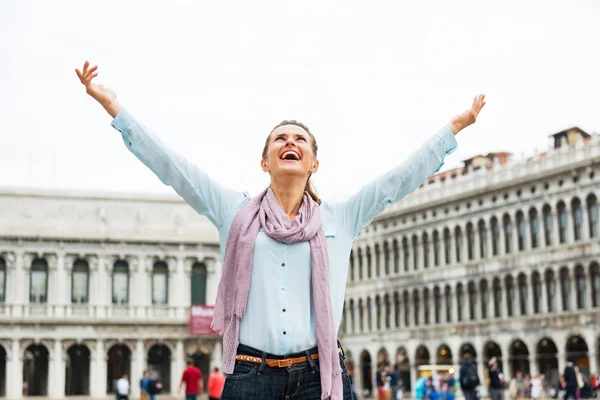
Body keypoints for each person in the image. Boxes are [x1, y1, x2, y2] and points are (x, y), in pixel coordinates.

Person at [75, 61, 485, 400]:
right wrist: (115, 109)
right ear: (265, 162)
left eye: (300, 140)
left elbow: (398, 180)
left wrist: (452, 130)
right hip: (251, 377)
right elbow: (173, 168)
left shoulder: (339, 219)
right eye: (280, 139)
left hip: (318, 375)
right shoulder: (234, 212)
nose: (290, 142)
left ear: (313, 164)